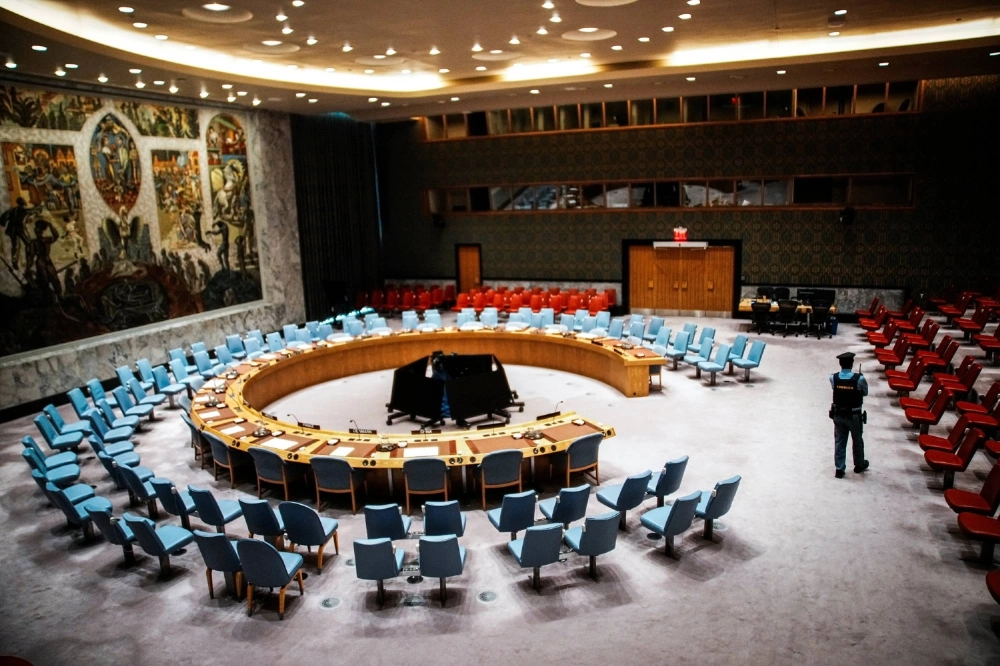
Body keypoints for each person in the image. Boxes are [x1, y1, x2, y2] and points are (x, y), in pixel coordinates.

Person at [829, 351, 869, 478]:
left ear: (840, 364)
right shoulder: (859, 379)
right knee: (857, 440)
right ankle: (859, 465)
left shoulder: (833, 378)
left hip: (838, 414)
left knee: (840, 441)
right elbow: (865, 392)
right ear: (852, 364)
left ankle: (839, 469)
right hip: (854, 415)